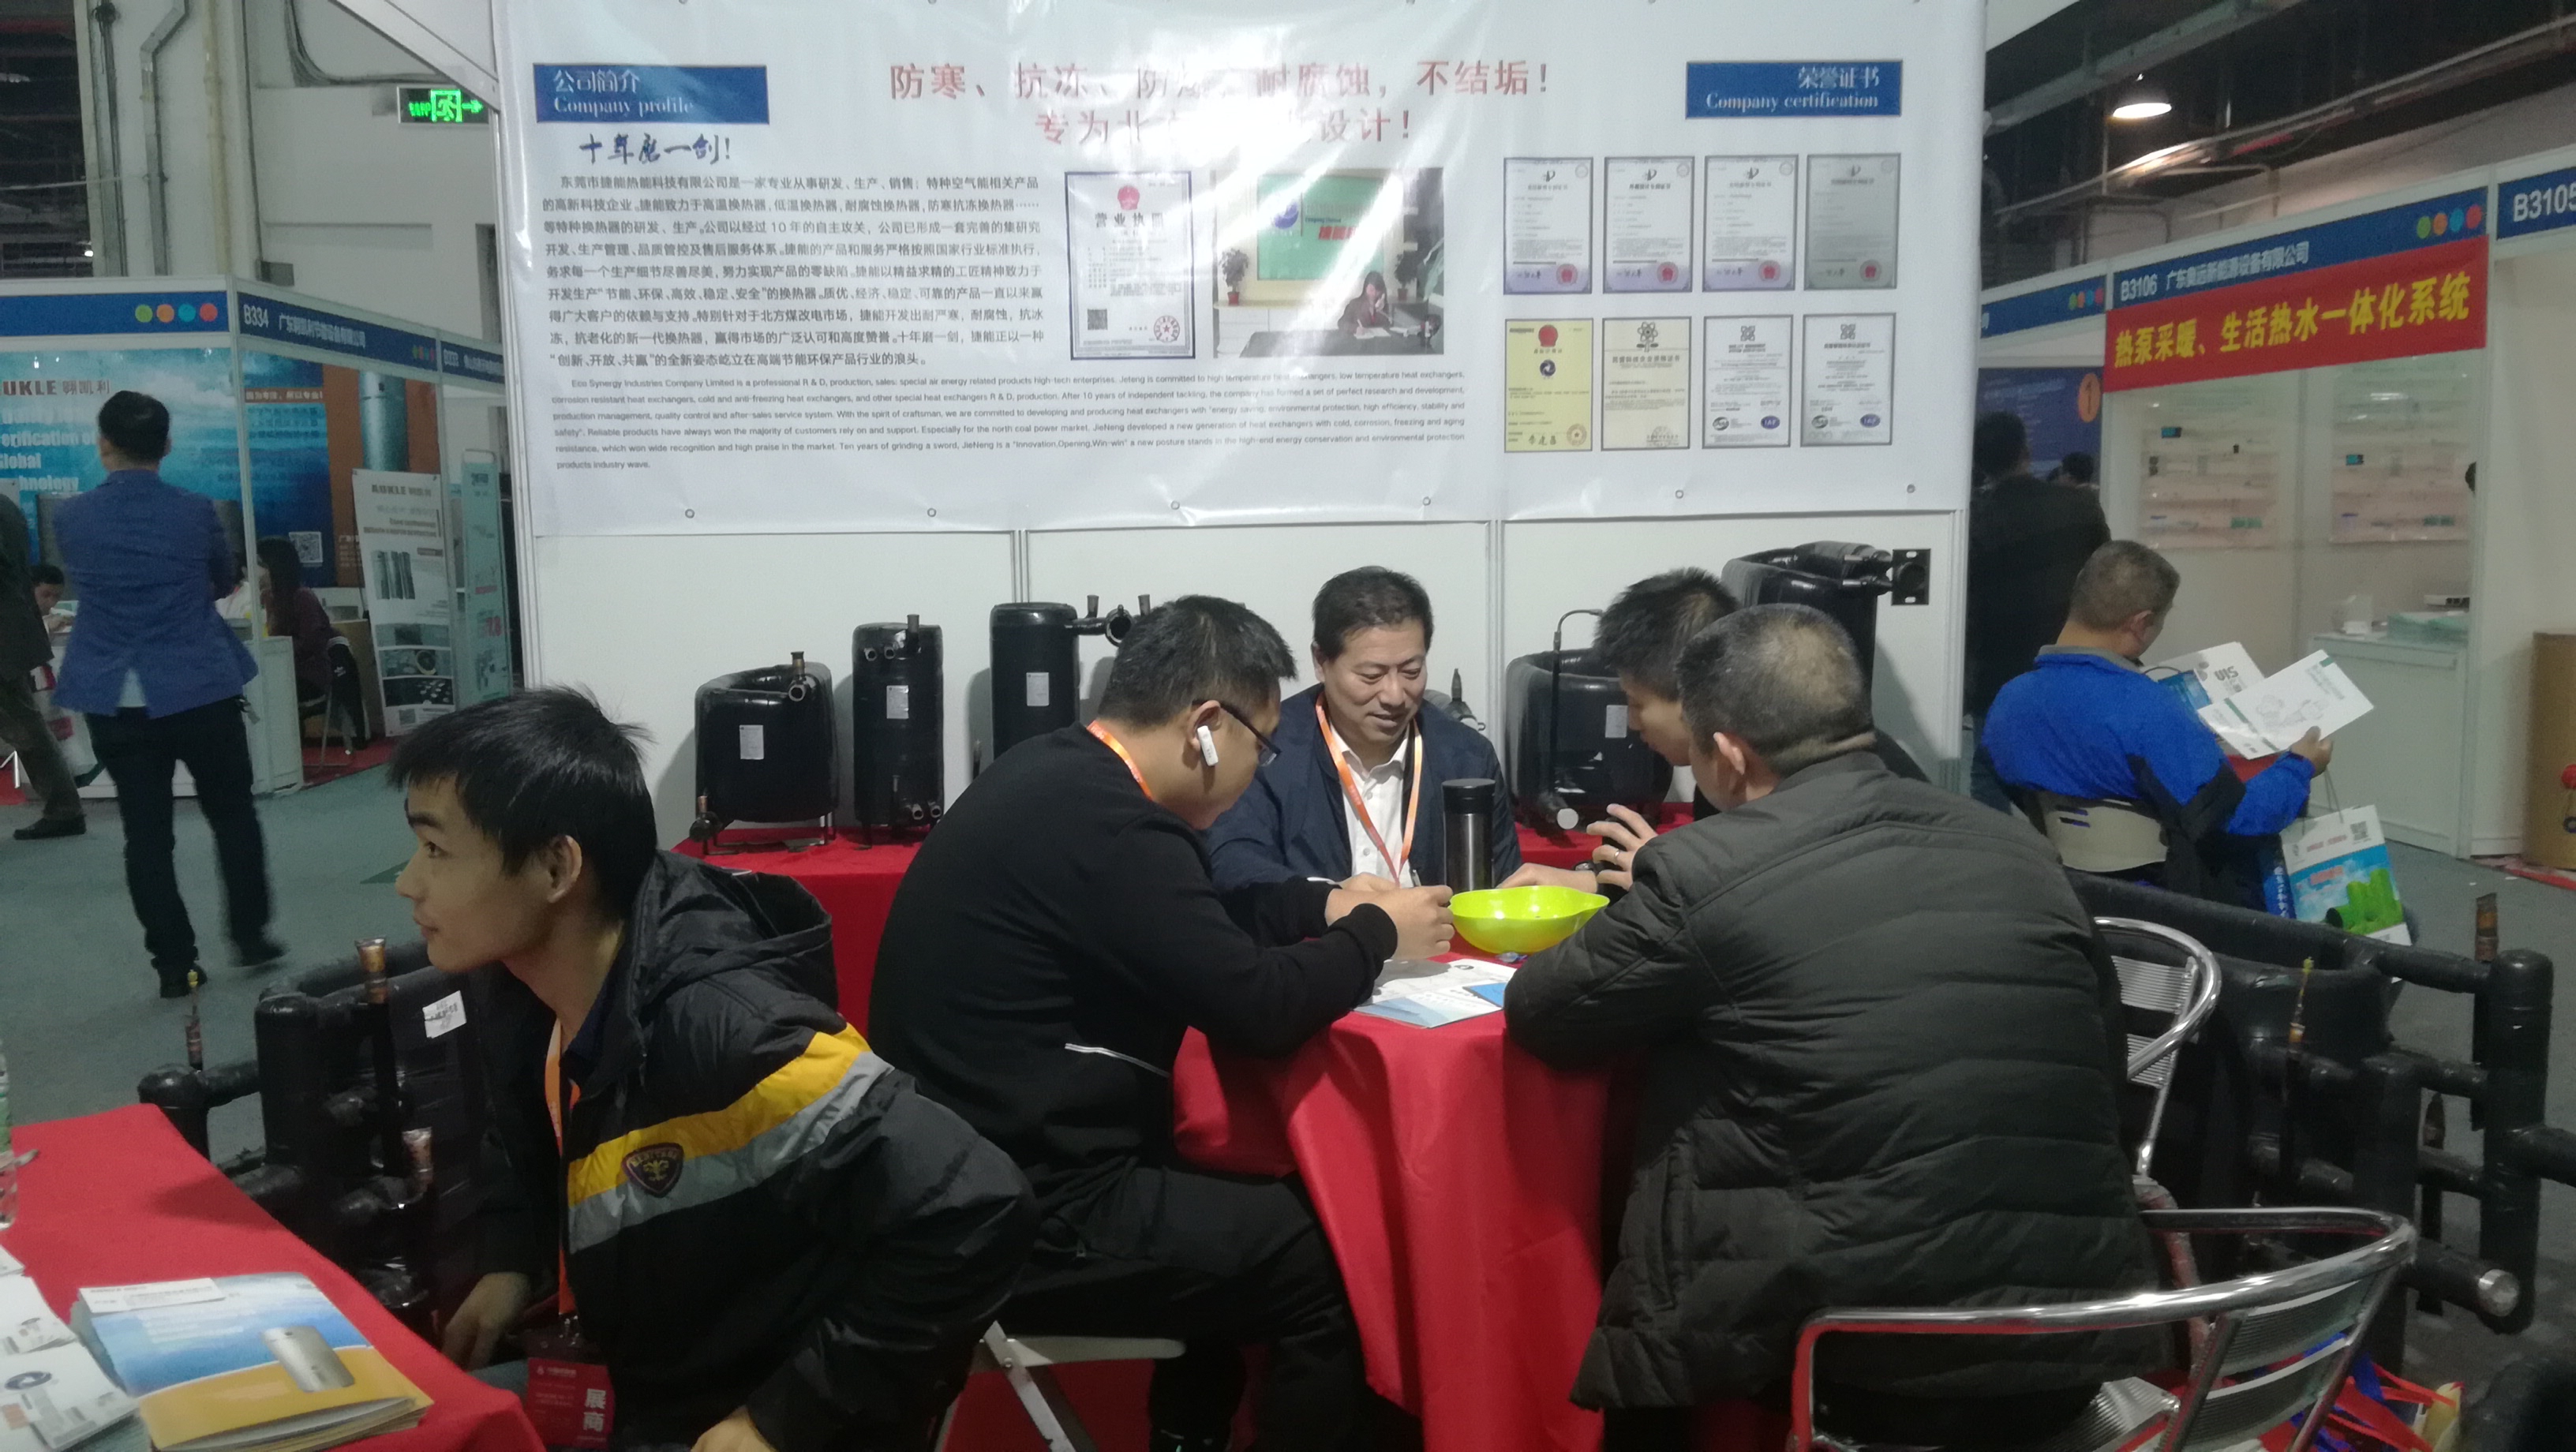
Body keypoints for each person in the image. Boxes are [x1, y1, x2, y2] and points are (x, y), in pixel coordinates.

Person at [1503, 605, 2156, 1451]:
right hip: (2079, 1334)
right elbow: (2104, 1060)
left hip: (1872, 1349)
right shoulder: (2016, 847)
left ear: (1728, 753)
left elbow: (1547, 1015)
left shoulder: (1709, 867)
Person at [869, 596, 1456, 1452]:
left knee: (1246, 1204)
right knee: (1334, 1255)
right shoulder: (1113, 826)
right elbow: (1258, 1009)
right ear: (1207, 728)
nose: (1258, 770)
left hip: (967, 1175)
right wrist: (1373, 935)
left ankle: (1190, 1435)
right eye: (1262, 746)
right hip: (1022, 1214)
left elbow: (1186, 921)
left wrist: (1321, 903)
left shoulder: (1058, 776)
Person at [398, 688, 1035, 1452]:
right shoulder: (525, 986)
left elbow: (977, 1205)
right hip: (641, 1383)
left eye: (436, 850)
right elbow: (528, 1130)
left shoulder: (732, 1032)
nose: (408, 882)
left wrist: (780, 1418)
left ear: (557, 866)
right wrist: (510, 1261)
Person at [53, 391, 279, 994]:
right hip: (198, 683)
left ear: (103, 444)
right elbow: (223, 580)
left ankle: (176, 965)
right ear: (168, 445)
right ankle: (251, 935)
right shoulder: (196, 511)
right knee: (232, 814)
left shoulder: (71, 517)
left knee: (146, 835)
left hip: (116, 696)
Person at [1503, 567, 1922, 893]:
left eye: (1635, 702)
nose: (1631, 722)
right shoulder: (1722, 766)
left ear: (1690, 689)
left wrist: (1671, 877)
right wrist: (1594, 883)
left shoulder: (1795, 770)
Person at [1983, 541, 2330, 907]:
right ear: (2141, 623)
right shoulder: (2146, 707)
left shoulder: (2008, 701)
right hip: (2167, 901)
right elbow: (2241, 818)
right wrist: (2301, 766)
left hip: (2067, 893)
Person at [1207, 566, 1519, 893]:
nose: (1394, 696)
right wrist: (1332, 901)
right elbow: (1233, 866)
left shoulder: (1467, 758)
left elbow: (1506, 886)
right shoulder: (1267, 750)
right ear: (1321, 662)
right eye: (1372, 676)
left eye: (1412, 671)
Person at [1968, 411, 2109, 810]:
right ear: (2026, 452)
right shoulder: (2080, 506)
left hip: (1996, 668)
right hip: (2071, 661)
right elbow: (2103, 577)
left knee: (1989, 771)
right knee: (2071, 765)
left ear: (1978, 463)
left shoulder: (1974, 519)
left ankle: (1996, 845)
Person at [0, 490, 82, 840]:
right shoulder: (7, 507)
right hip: (10, 630)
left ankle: (65, 808)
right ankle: (65, 808)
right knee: (24, 722)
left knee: (24, 725)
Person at [256, 536, 368, 747]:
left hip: (308, 675)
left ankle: (286, 750)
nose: (255, 571)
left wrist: (280, 651)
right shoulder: (269, 598)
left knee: (267, 694)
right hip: (281, 671)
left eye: (260, 564)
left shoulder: (302, 597)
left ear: (275, 566)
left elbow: (312, 642)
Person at [1337, 270, 1393, 334]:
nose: (1374, 293)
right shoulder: (1355, 304)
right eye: (1371, 290)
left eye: (1377, 291)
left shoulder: (1382, 305)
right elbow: (1341, 323)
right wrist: (1355, 329)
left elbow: (1387, 326)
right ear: (1365, 288)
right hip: (1360, 339)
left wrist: (1383, 300)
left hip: (1379, 339)